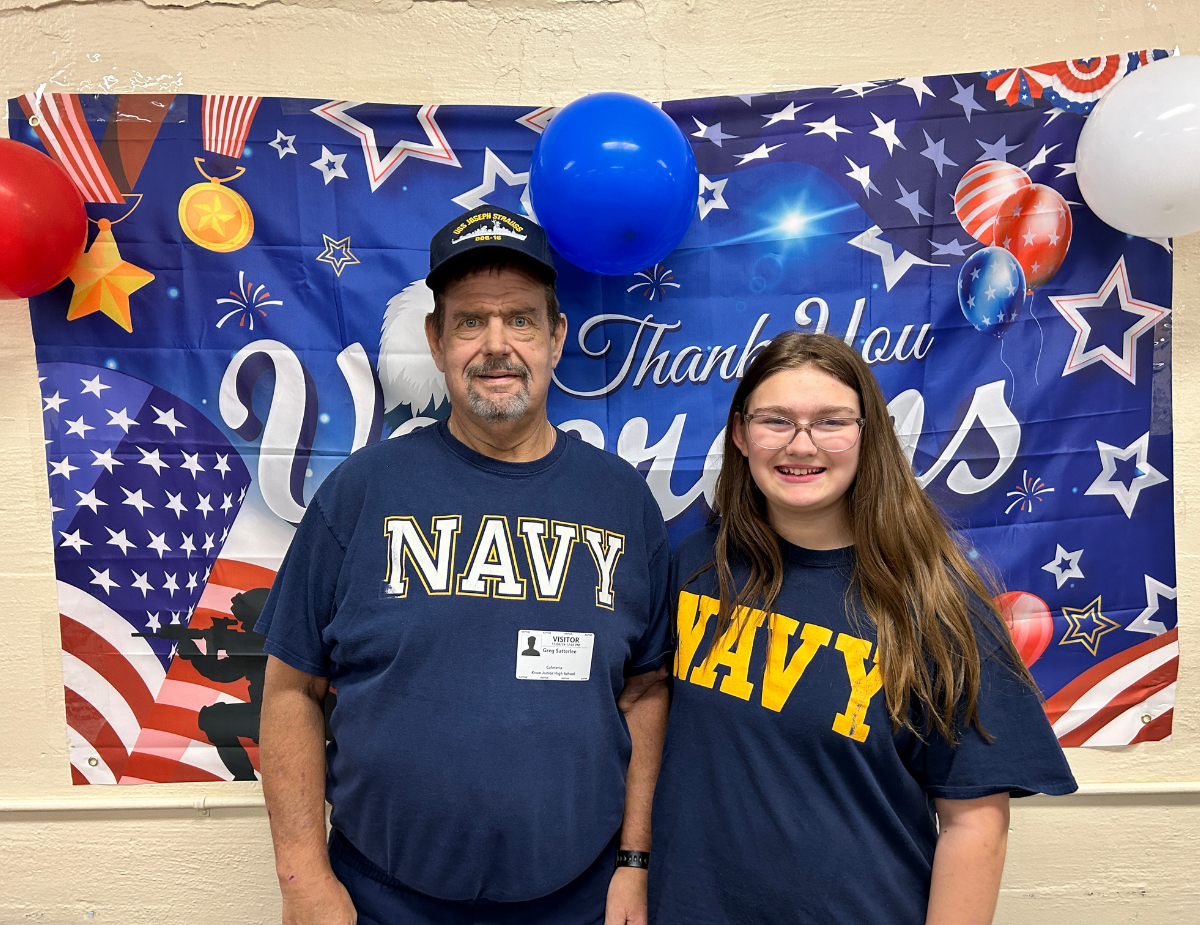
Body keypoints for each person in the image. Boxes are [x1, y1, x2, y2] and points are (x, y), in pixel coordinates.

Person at [257, 206, 671, 925]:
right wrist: (302, 880)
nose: (497, 345)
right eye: (471, 322)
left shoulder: (623, 502)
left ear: (556, 337)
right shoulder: (360, 493)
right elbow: (291, 688)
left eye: (520, 320)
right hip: (379, 897)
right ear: (437, 339)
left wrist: (634, 866)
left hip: (577, 899)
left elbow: (644, 692)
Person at [648, 331, 1077, 925]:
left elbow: (973, 822)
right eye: (776, 420)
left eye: (830, 421)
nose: (802, 444)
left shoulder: (937, 599)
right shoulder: (696, 566)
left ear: (867, 434)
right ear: (742, 435)